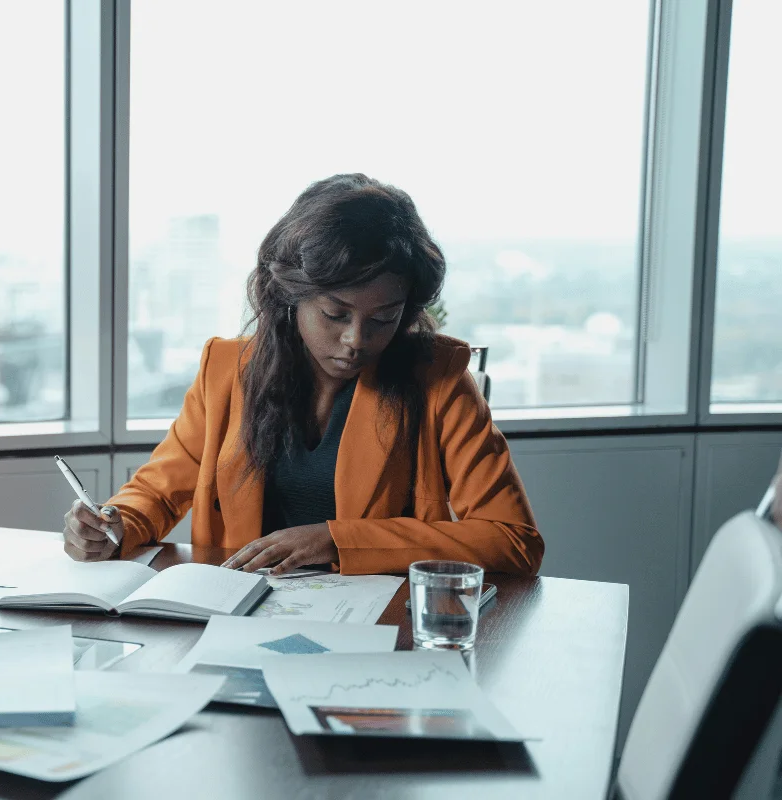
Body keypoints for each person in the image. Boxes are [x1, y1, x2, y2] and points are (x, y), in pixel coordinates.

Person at [63, 174, 544, 576]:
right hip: (235, 612)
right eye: (335, 314)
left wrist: (340, 541)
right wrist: (114, 524)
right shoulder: (226, 369)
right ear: (291, 296)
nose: (357, 339)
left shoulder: (438, 379)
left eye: (383, 318)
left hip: (377, 628)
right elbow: (158, 491)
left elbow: (513, 541)